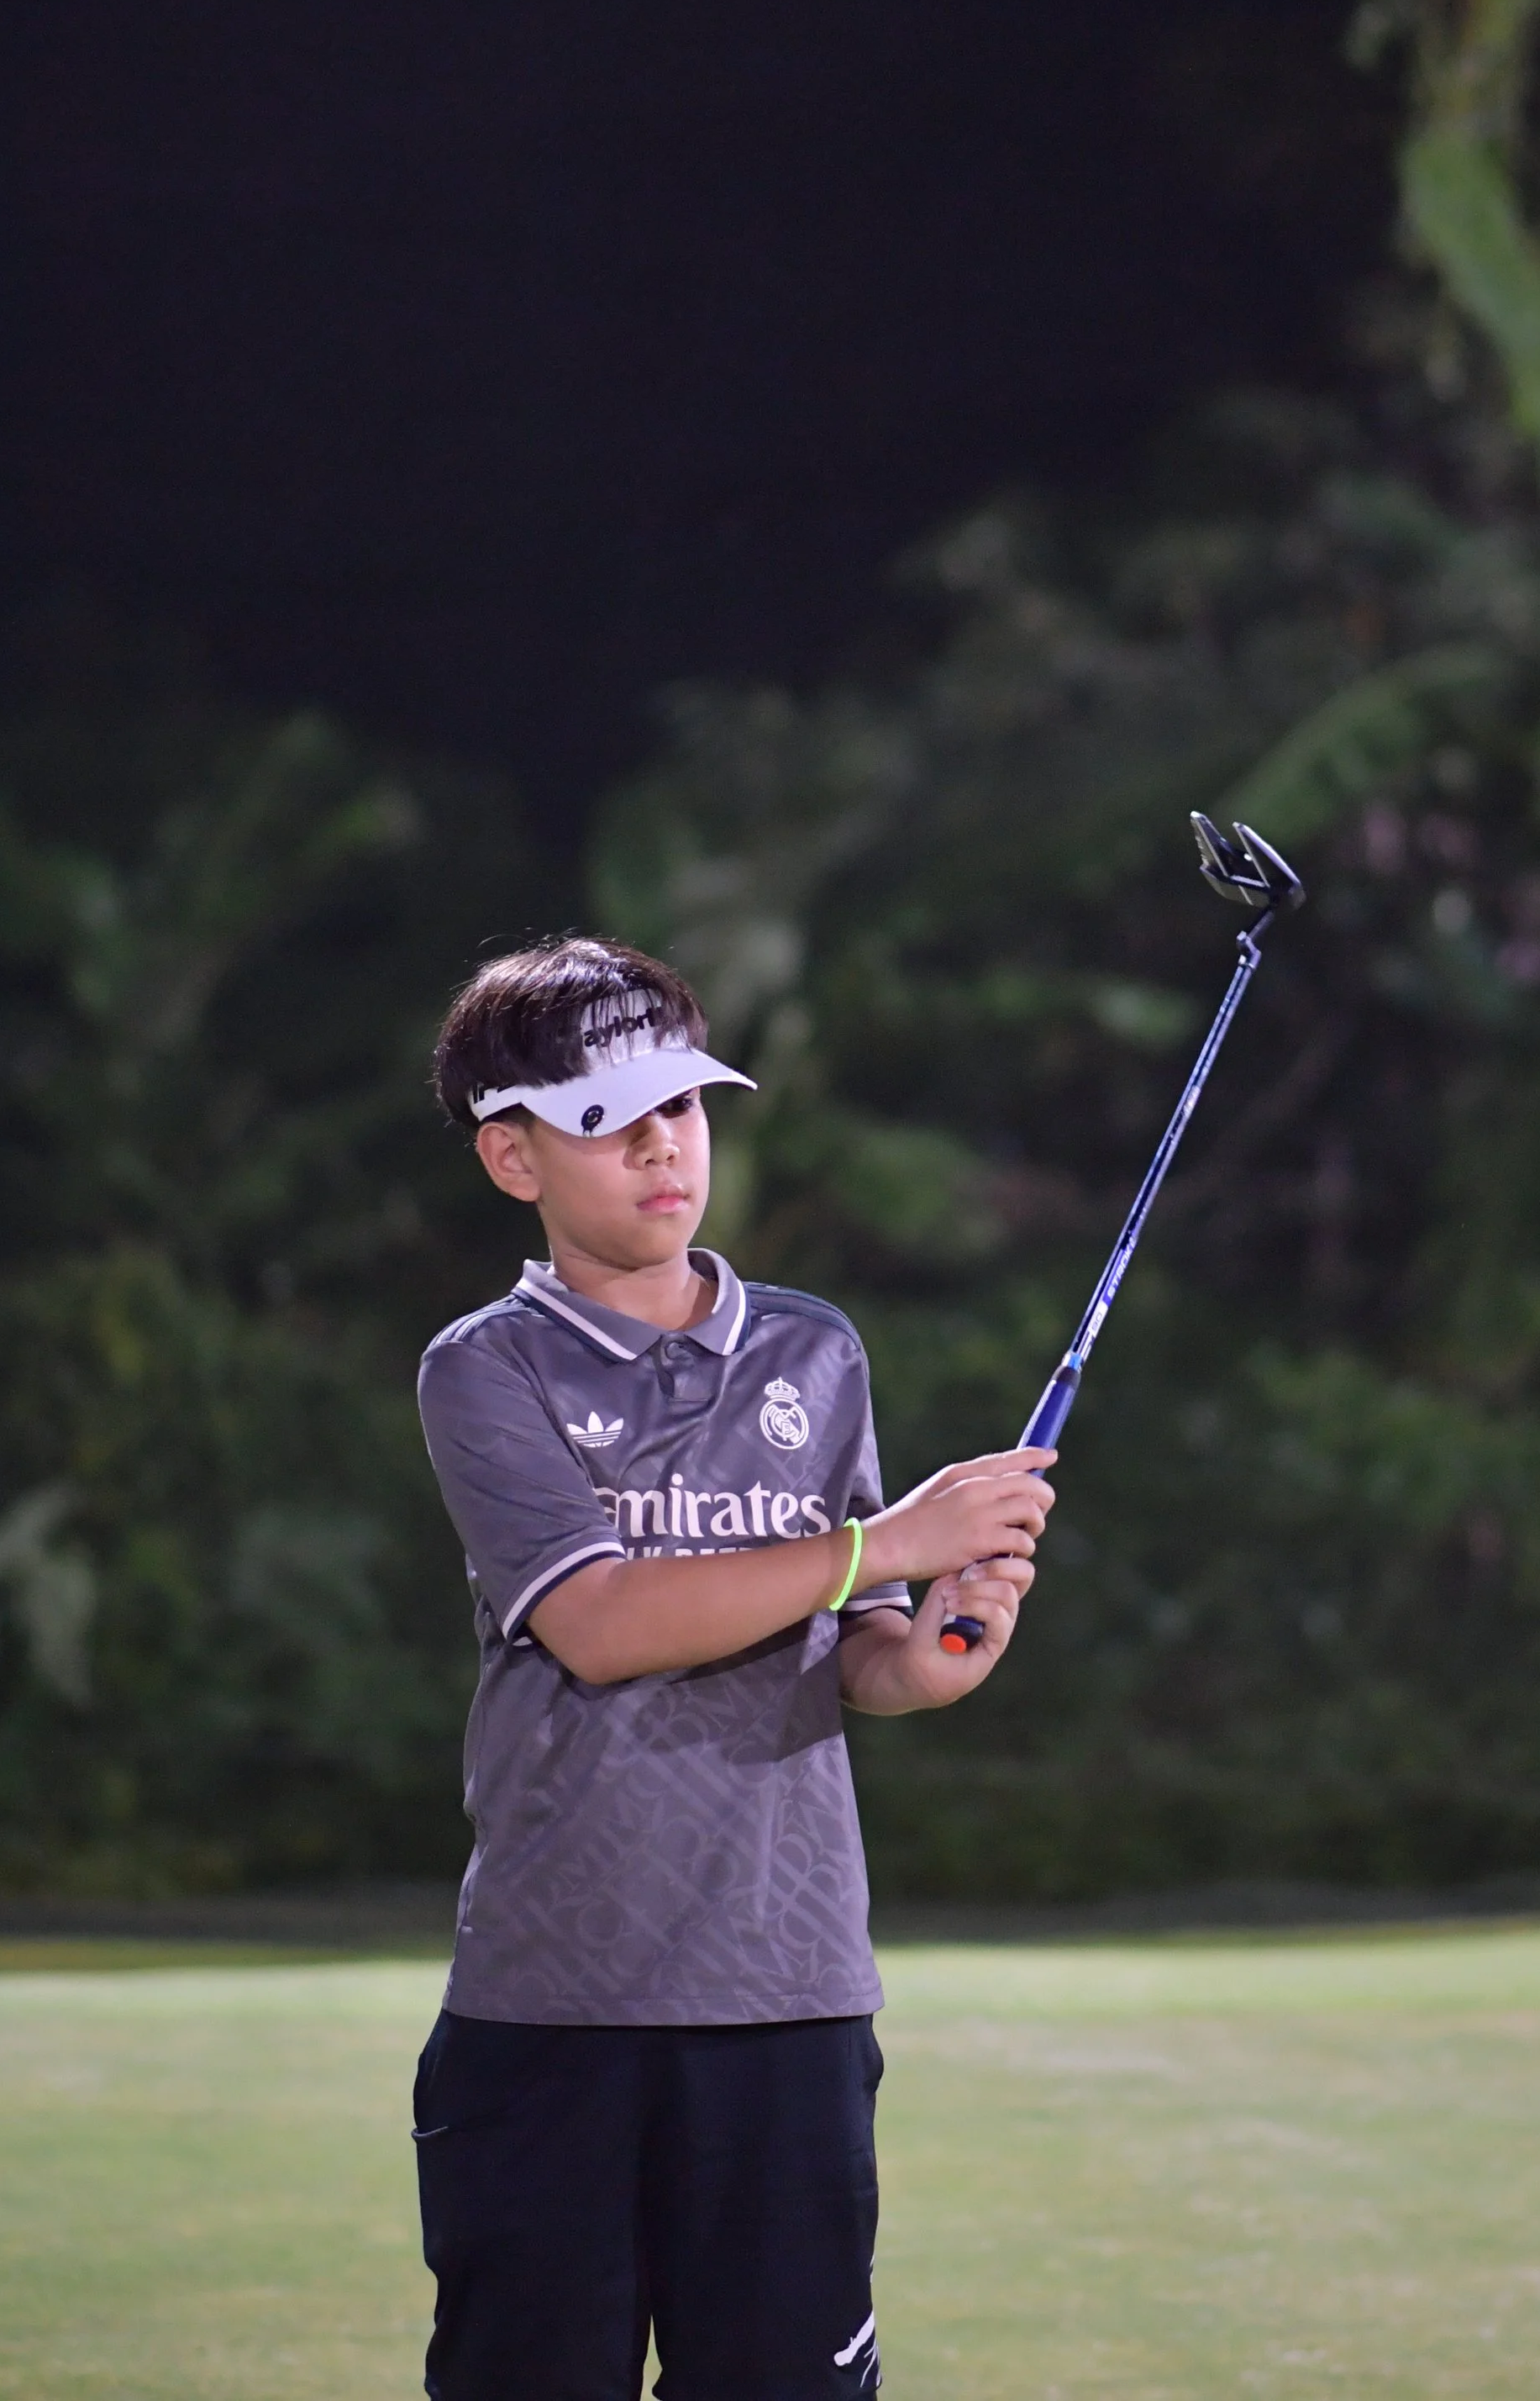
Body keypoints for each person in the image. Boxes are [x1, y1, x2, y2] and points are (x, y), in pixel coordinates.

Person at [413, 934, 1054, 2401]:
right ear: (513, 1158)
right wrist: (884, 1543)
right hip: (554, 2006)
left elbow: (847, 1654)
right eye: (609, 1121)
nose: (663, 1148)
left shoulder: (818, 1353)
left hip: (790, 1995)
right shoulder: (486, 1366)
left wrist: (931, 1653)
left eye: (685, 1108)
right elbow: (602, 1621)